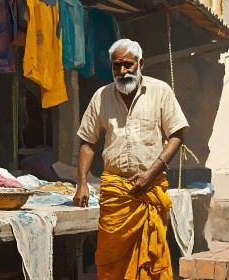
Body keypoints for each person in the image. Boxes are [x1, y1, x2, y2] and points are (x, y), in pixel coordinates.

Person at [73, 38, 189, 279]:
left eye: (128, 65)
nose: (123, 71)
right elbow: (87, 141)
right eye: (117, 66)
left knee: (151, 262)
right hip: (115, 194)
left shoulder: (160, 91)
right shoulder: (101, 96)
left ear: (141, 63)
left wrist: (151, 173)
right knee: (110, 263)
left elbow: (177, 134)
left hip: (149, 189)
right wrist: (82, 182)